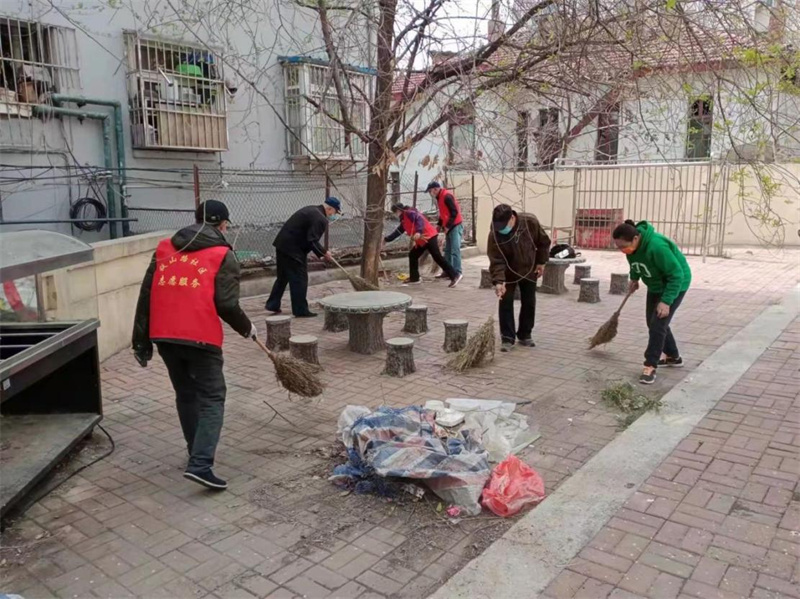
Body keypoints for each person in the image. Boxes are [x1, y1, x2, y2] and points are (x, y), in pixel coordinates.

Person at [132, 200, 255, 490]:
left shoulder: (164, 247)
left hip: (164, 335)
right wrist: (247, 327)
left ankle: (194, 452)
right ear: (223, 224)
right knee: (213, 397)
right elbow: (226, 303)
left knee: (186, 394)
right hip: (200, 336)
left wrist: (141, 340)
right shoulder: (223, 253)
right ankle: (201, 464)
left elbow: (146, 295)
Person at [612, 219, 691, 385]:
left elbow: (676, 275)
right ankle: (673, 356)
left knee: (658, 325)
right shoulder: (631, 250)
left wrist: (666, 301)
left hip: (675, 284)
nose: (622, 250)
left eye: (623, 246)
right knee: (652, 322)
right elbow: (635, 264)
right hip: (655, 284)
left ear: (635, 239)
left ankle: (650, 365)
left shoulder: (657, 247)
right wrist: (634, 279)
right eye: (618, 247)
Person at [487, 204, 551, 352]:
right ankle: (507, 338)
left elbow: (543, 242)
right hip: (508, 274)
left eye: (503, 225)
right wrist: (498, 281)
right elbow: (496, 259)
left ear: (512, 218)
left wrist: (541, 262)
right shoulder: (495, 233)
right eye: (498, 226)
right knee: (505, 302)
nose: (501, 228)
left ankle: (525, 334)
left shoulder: (529, 222)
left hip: (529, 268)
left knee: (529, 302)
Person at [265, 197, 340, 317]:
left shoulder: (312, 210)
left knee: (283, 276)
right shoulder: (320, 219)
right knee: (299, 279)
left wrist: (321, 252)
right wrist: (324, 253)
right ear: (330, 208)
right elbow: (312, 240)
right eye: (335, 212)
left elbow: (308, 237)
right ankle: (300, 310)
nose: (333, 215)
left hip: (282, 245)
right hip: (293, 250)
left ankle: (272, 304)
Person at [384, 203, 462, 287]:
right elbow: (398, 232)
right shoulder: (404, 220)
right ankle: (414, 278)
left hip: (429, 236)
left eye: (395, 212)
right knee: (413, 255)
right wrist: (386, 239)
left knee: (437, 256)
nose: (395, 215)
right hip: (422, 241)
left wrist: (418, 231)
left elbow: (419, 220)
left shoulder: (409, 213)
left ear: (398, 211)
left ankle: (455, 275)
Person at [426, 181, 464, 278]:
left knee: (455, 250)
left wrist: (447, 226)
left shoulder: (447, 196)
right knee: (447, 250)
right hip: (449, 226)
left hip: (455, 225)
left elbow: (454, 212)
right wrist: (439, 225)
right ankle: (447, 271)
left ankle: (457, 272)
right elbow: (443, 213)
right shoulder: (439, 198)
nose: (431, 193)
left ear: (436, 189)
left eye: (430, 191)